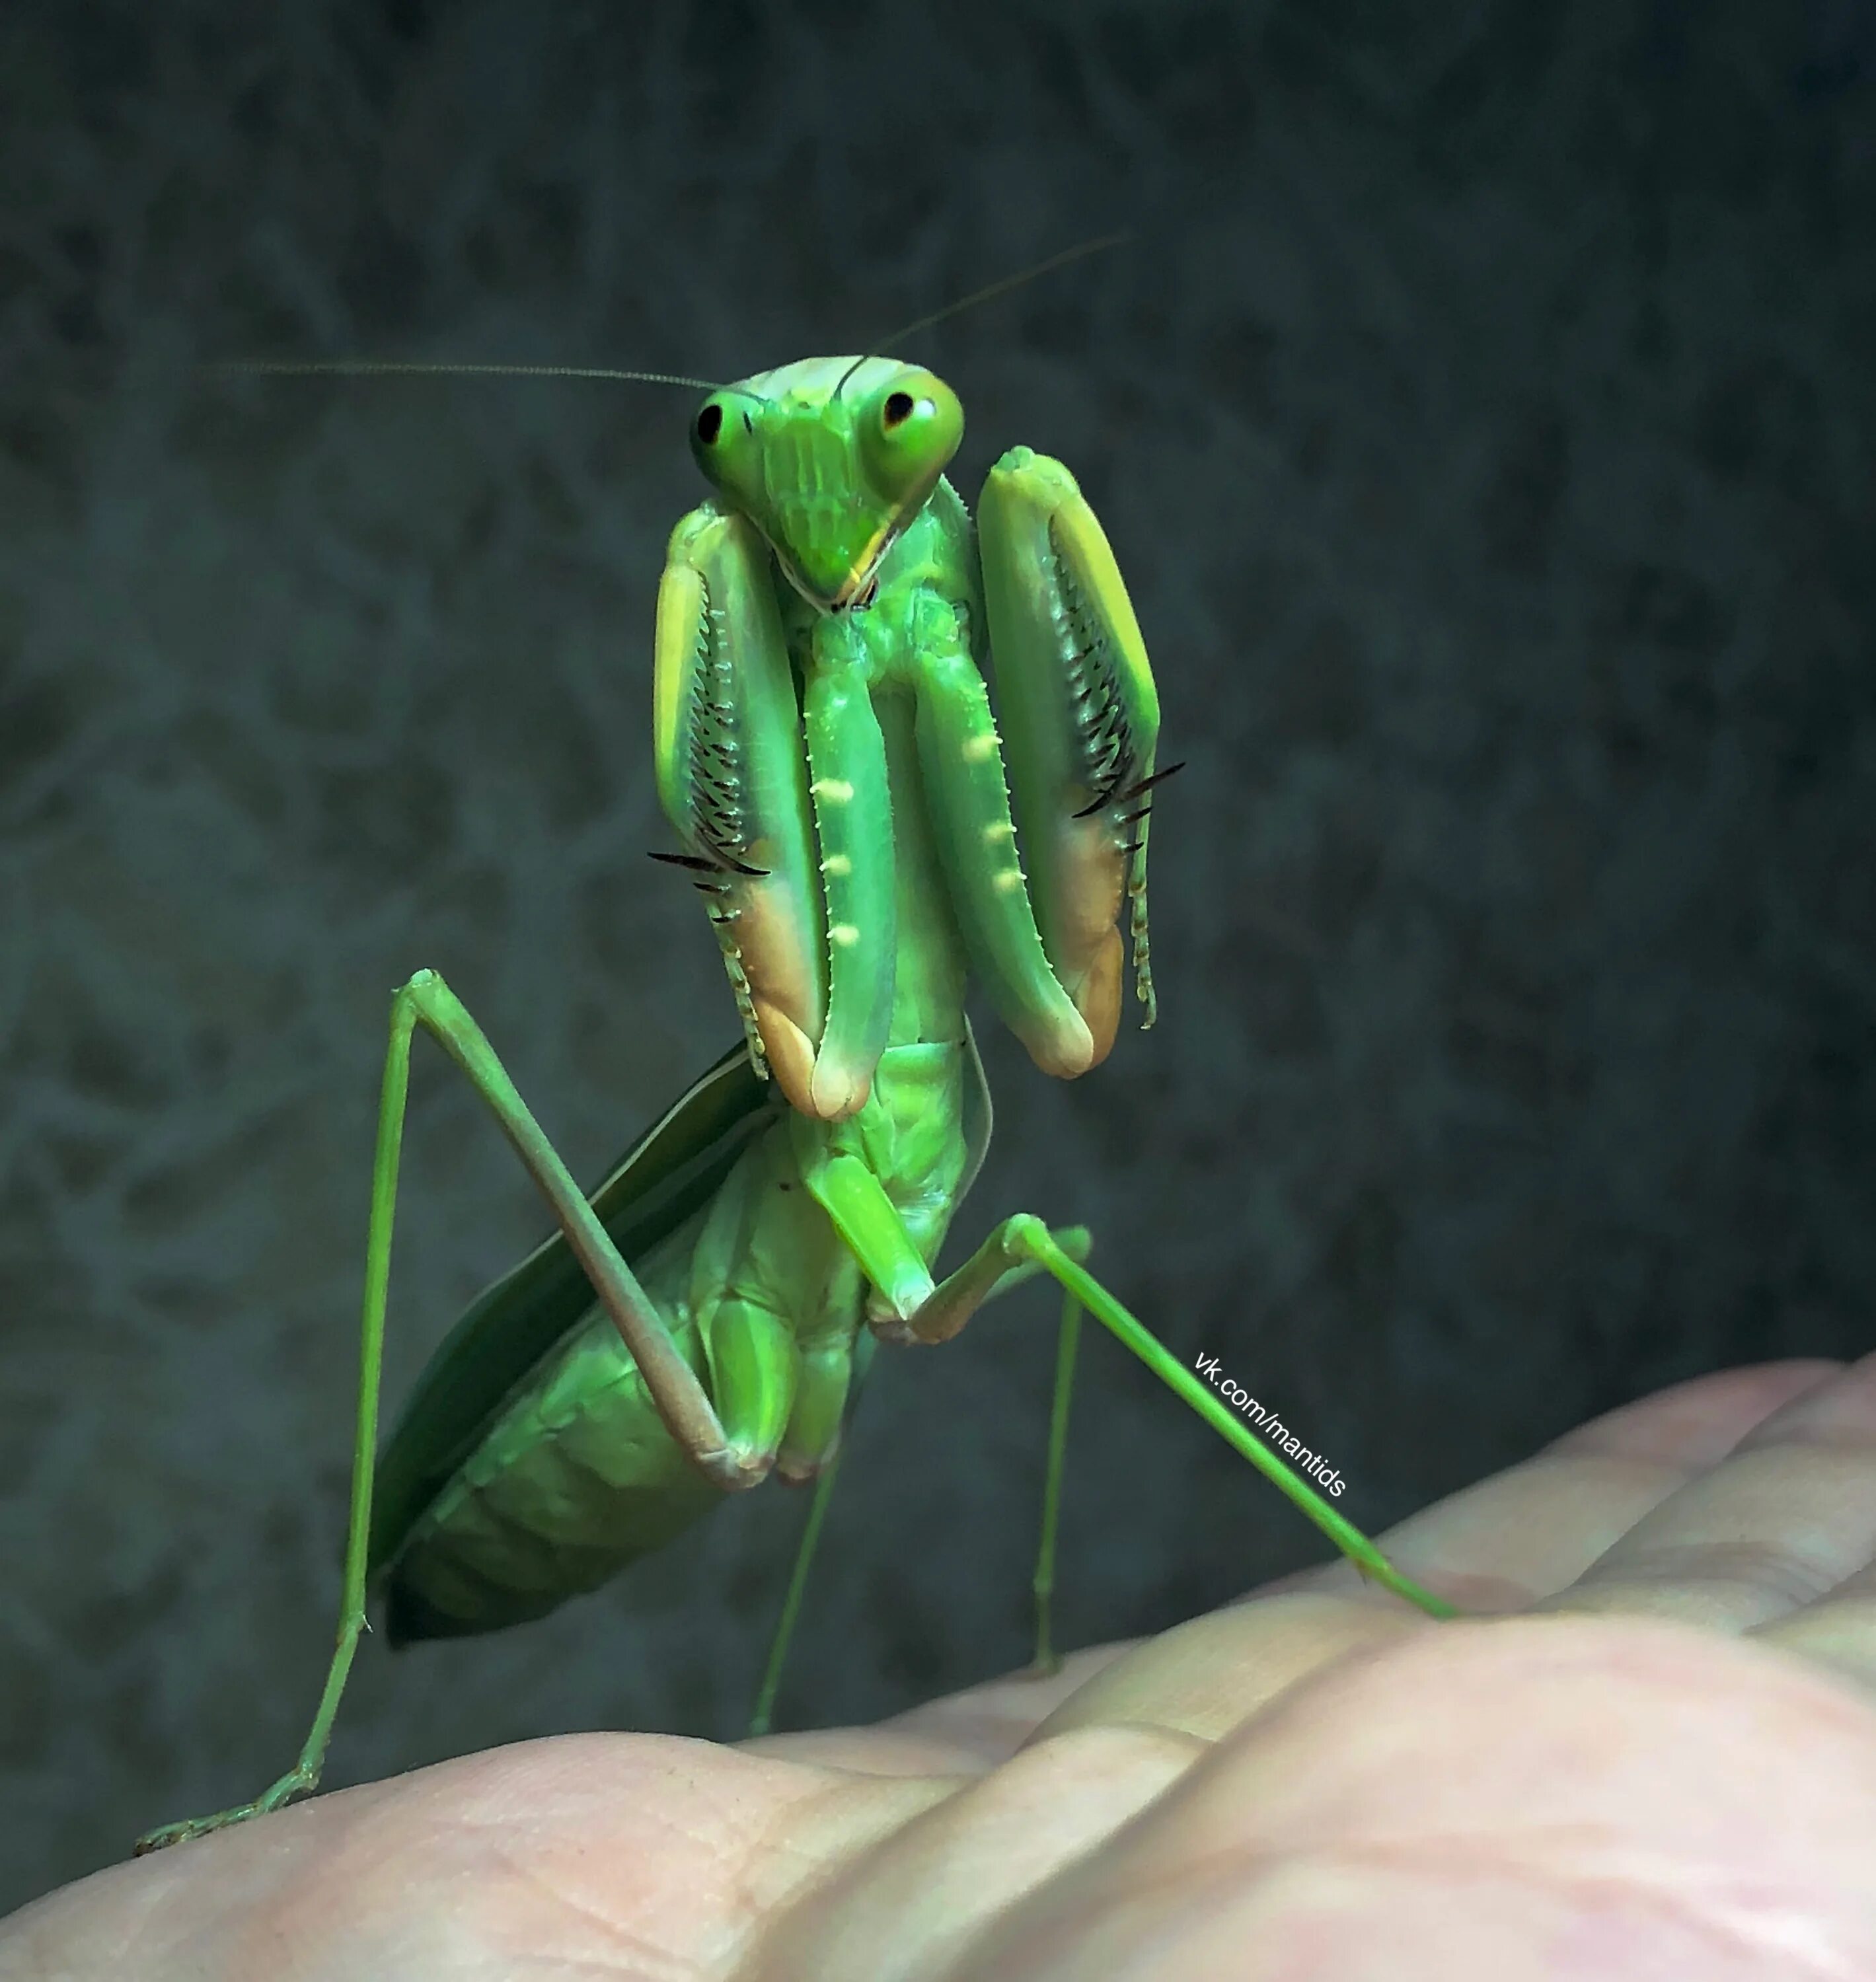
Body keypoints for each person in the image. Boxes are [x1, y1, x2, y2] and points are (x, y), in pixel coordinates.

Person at [6, 1355, 1875, 1978]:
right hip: (548, 1448)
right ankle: (328, 1699)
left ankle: (1323, 1517)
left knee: (1062, 1270)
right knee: (441, 1022)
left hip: (737, 1408)